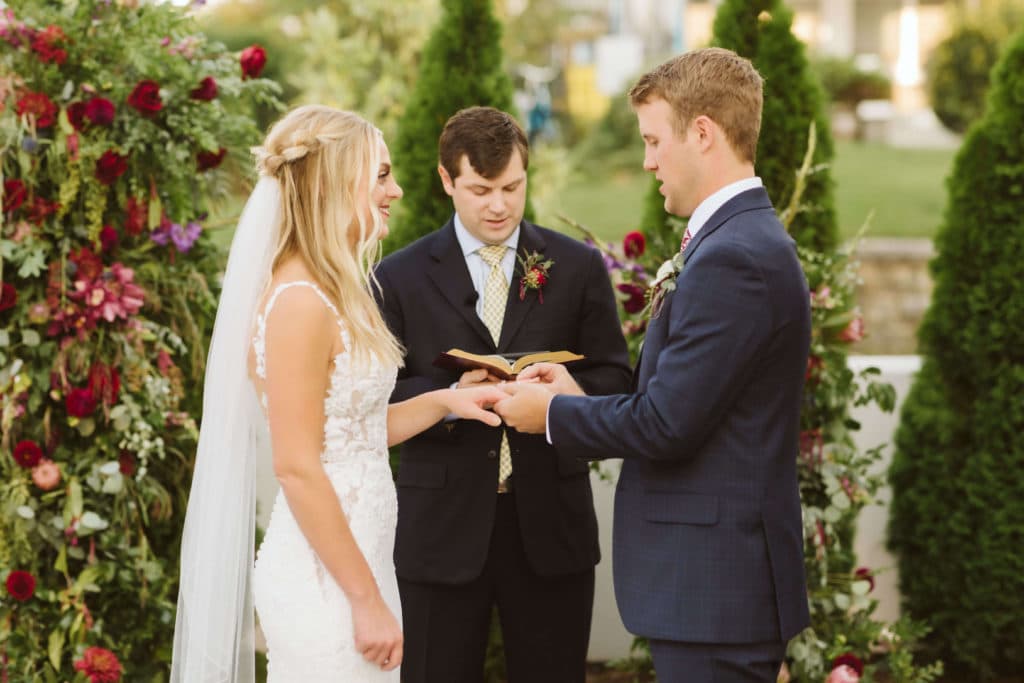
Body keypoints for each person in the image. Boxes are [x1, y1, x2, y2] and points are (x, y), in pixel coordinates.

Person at [495, 48, 812, 682]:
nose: (646, 162)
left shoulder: (734, 258)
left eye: (653, 140)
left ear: (702, 133)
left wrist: (551, 415)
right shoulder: (737, 241)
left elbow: (668, 425)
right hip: (713, 588)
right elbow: (686, 401)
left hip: (714, 589)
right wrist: (577, 394)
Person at [170, 105, 507, 683]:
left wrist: (446, 400)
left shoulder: (331, 288)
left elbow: (347, 433)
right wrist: (365, 601)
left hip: (361, 566)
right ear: (332, 181)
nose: (396, 190)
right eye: (380, 175)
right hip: (326, 583)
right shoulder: (299, 302)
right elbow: (298, 465)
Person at [374, 106, 631, 683]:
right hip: (440, 530)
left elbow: (617, 380)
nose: (499, 205)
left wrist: (569, 391)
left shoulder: (578, 267)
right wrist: (449, 391)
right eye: (481, 189)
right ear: (446, 181)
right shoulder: (398, 277)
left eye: (512, 187)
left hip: (550, 528)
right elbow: (376, 397)